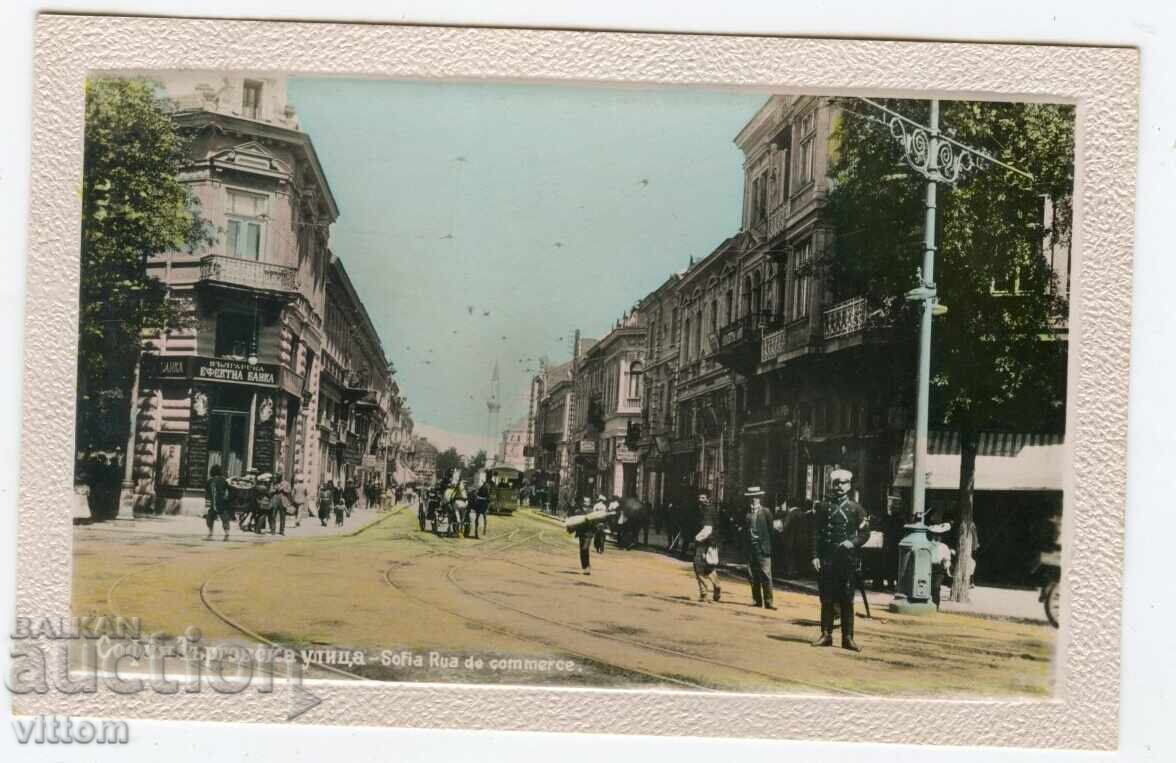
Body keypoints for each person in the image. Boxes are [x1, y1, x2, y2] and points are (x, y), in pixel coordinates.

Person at [810, 469, 870, 652]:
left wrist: (852, 542)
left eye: (843, 483)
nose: (840, 486)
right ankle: (826, 634)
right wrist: (815, 556)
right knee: (826, 599)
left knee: (847, 600)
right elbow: (816, 534)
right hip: (827, 560)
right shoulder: (822, 507)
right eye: (836, 483)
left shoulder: (857, 509)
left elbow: (865, 533)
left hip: (847, 561)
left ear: (849, 485)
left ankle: (848, 638)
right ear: (832, 485)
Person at [743, 486, 775, 609]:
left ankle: (769, 602)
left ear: (759, 498)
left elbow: (771, 531)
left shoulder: (766, 512)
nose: (753, 499)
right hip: (751, 548)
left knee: (766, 575)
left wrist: (768, 547)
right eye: (751, 497)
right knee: (752, 576)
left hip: (763, 548)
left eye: (756, 497)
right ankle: (757, 600)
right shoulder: (746, 513)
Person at [693, 490, 721, 602]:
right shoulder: (713, 509)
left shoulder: (707, 511)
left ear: (708, 499)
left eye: (703, 498)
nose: (701, 500)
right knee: (709, 566)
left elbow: (707, 529)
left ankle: (704, 593)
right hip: (713, 542)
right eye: (699, 497)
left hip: (704, 543)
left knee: (698, 567)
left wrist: (696, 539)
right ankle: (716, 584)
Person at [928, 523, 954, 610]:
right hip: (928, 567)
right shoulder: (928, 545)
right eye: (935, 535)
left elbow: (947, 559)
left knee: (936, 587)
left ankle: (936, 606)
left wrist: (947, 569)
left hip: (939, 569)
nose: (936, 537)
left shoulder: (943, 547)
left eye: (938, 535)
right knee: (928, 587)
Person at [204, 465, 231, 541]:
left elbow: (207, 494)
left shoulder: (209, 481)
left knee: (210, 518)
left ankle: (210, 533)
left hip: (213, 503)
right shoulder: (224, 480)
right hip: (222, 503)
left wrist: (207, 505)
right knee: (225, 519)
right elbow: (227, 491)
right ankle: (227, 534)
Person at [574, 496, 594, 575]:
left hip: (588, 534)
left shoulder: (592, 512)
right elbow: (575, 521)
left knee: (585, 548)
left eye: (587, 502)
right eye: (585, 501)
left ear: (589, 503)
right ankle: (584, 566)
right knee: (582, 550)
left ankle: (587, 567)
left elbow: (594, 523)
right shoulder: (578, 511)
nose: (586, 503)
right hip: (581, 533)